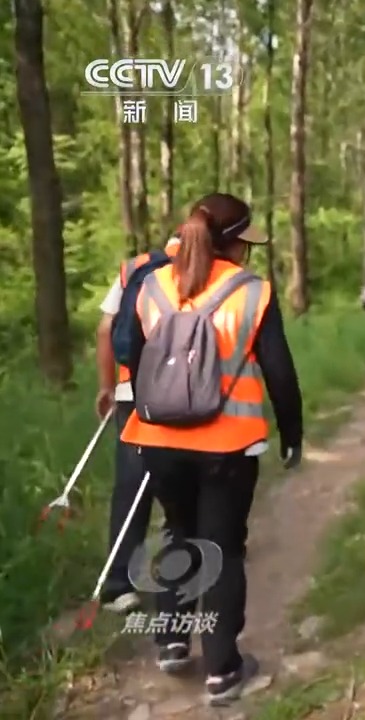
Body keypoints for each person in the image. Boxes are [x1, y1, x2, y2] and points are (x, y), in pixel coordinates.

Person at [118, 193, 305, 706]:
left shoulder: (152, 285)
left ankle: (172, 641)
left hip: (156, 442)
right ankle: (223, 669)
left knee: (177, 534)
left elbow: (134, 362)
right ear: (236, 244)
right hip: (228, 444)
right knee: (222, 548)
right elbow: (280, 373)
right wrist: (292, 434)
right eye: (247, 242)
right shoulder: (252, 292)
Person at [94, 235, 182, 614]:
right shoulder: (211, 270)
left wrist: (106, 386)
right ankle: (193, 558)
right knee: (186, 479)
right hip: (185, 397)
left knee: (132, 486)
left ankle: (117, 586)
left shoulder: (135, 268)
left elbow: (104, 330)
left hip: (132, 394)